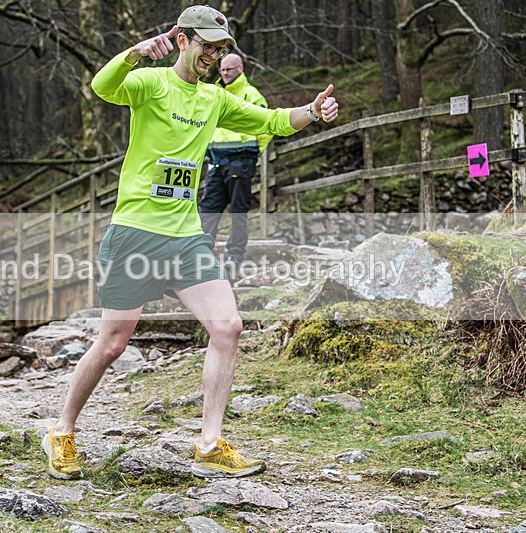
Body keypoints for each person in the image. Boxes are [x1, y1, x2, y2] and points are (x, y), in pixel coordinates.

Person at [42, 4, 338, 480]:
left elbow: (272, 121)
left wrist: (312, 111)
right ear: (182, 39)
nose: (214, 56)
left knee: (228, 328)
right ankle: (62, 430)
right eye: (207, 46)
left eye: (222, 49)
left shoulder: (215, 100)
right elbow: (103, 87)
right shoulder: (151, 83)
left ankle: (209, 443)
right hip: (135, 233)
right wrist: (134, 54)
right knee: (113, 343)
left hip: (184, 238)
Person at [200, 53, 271, 267]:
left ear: (240, 69)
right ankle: (200, 254)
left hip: (240, 160)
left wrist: (253, 152)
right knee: (208, 209)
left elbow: (267, 125)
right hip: (216, 161)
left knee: (238, 209)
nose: (224, 73)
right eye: (222, 69)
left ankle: (235, 255)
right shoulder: (215, 93)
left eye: (229, 69)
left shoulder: (251, 94)